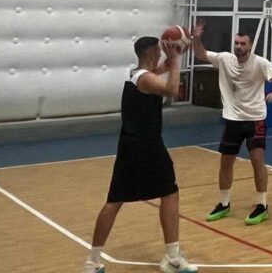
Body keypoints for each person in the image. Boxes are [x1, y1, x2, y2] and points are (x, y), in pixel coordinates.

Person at [83, 37, 196, 273]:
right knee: (170, 193)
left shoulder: (136, 73)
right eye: (159, 51)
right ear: (150, 53)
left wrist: (184, 44)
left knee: (114, 201)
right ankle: (172, 257)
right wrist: (176, 62)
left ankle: (92, 262)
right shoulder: (145, 79)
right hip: (147, 146)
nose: (161, 54)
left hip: (129, 146)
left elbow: (164, 67)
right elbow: (172, 89)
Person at [192, 27, 272, 224]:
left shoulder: (260, 63)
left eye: (243, 43)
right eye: (236, 43)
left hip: (255, 119)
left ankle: (262, 205)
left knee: (257, 161)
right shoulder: (225, 59)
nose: (239, 46)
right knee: (226, 163)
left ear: (250, 46)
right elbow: (201, 53)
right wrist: (196, 38)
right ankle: (224, 204)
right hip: (233, 119)